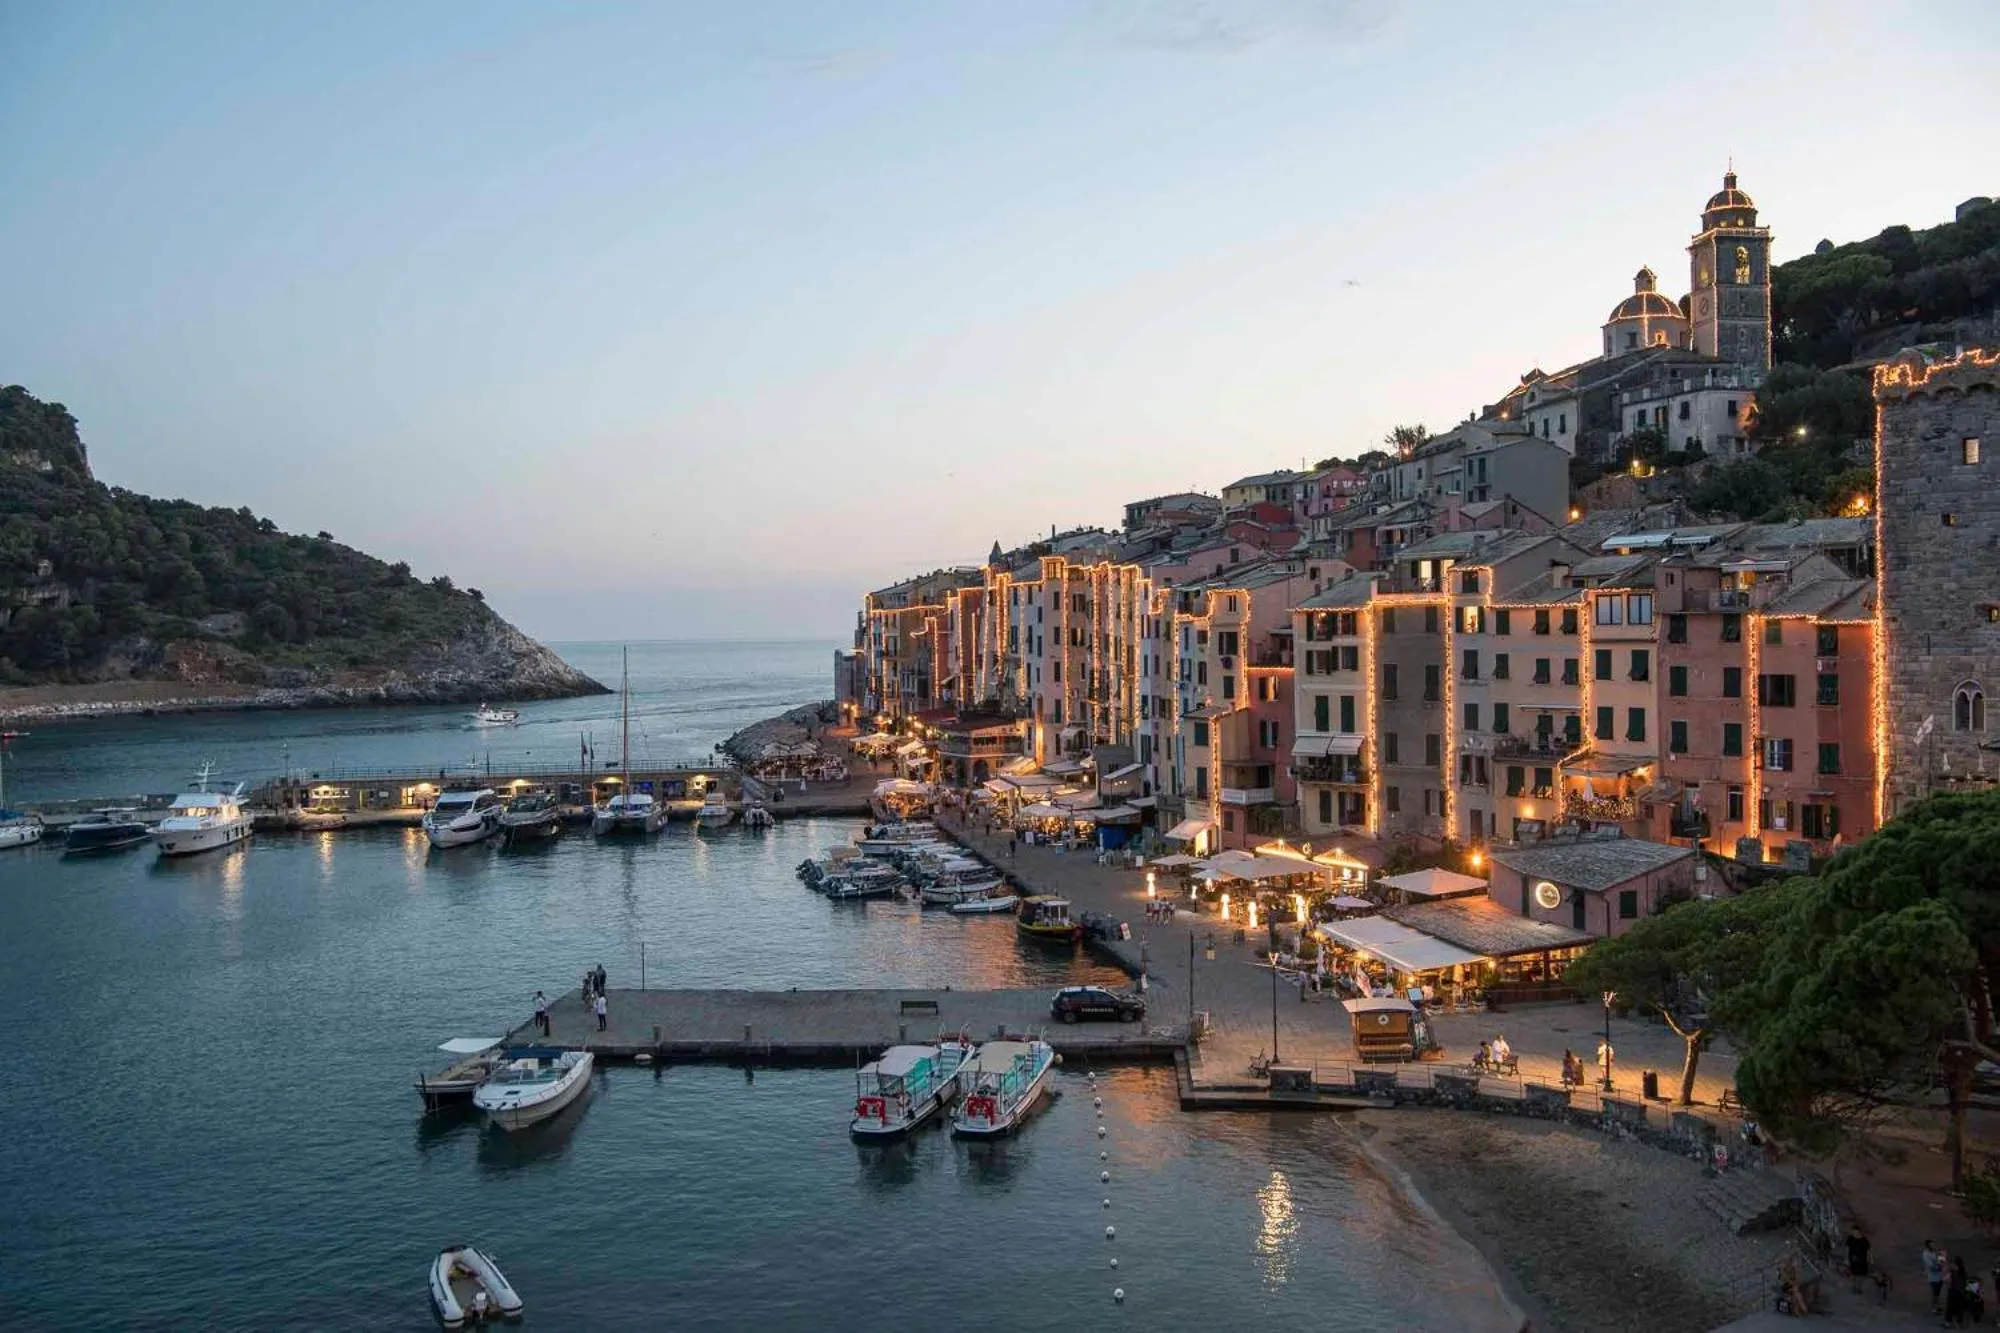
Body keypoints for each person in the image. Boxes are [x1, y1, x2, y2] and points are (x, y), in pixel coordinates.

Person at [1845, 1224, 1870, 1294]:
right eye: (1853, 1232)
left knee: (1860, 1276)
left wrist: (1869, 1259)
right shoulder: (1850, 1238)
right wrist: (1846, 1258)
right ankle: (1854, 1287)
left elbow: (1868, 1251)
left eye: (1856, 1232)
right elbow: (1847, 1248)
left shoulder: (1864, 1240)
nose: (1854, 1234)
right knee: (1853, 1275)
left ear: (1859, 1232)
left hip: (1862, 1261)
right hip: (1853, 1261)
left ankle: (1858, 1288)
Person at [1924, 1240, 1944, 1313]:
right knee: (1934, 1294)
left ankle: (1936, 1307)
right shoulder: (1926, 1254)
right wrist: (1939, 1266)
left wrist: (1941, 1256)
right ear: (1928, 1246)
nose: (1933, 1246)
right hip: (1933, 1277)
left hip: (1939, 1276)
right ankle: (1934, 1308)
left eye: (1934, 1244)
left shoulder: (1936, 1252)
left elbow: (1942, 1261)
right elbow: (1931, 1266)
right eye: (1932, 1245)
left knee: (1937, 1294)